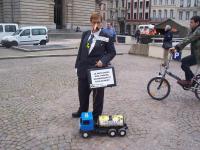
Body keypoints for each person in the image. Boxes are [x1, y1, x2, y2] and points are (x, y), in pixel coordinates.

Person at [72, 12, 116, 121]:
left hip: (97, 71)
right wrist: (77, 65)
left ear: (101, 23)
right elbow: (81, 51)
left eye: (98, 22)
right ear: (91, 22)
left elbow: (112, 52)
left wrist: (103, 61)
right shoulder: (86, 34)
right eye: (94, 22)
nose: (96, 24)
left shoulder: (107, 36)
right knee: (82, 93)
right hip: (83, 69)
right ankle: (82, 110)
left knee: (98, 96)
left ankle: (96, 115)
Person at [170, 16, 200, 87]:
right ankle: (192, 80)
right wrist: (177, 48)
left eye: (191, 22)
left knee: (184, 61)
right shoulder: (193, 30)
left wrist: (176, 47)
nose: (190, 24)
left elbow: (189, 39)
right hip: (196, 54)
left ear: (197, 23)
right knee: (184, 63)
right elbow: (186, 39)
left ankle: (190, 81)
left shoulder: (198, 31)